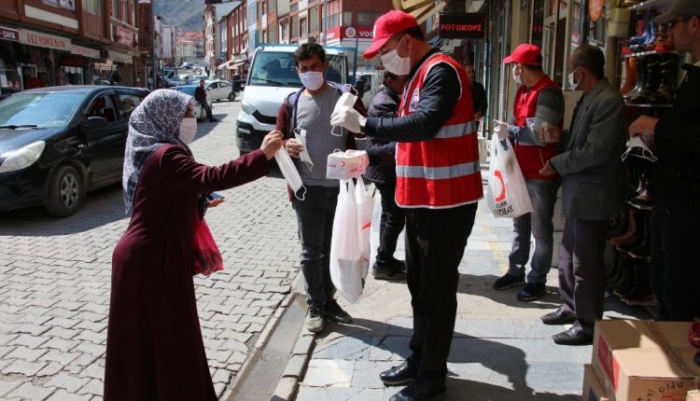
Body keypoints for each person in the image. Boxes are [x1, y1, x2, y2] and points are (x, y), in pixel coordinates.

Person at [331, 10, 482, 401]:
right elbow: (409, 142)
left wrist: (366, 125)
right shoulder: (418, 75)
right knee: (419, 287)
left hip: (447, 202)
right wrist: (369, 156)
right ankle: (419, 359)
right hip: (421, 199)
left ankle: (432, 377)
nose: (384, 59)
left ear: (405, 41)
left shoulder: (440, 71)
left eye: (385, 50)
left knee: (436, 290)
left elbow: (425, 124)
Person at [104, 89, 282, 400]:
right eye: (185, 113)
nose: (192, 119)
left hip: (148, 259)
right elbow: (211, 176)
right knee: (168, 341)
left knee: (153, 343)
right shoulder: (166, 155)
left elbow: (167, 194)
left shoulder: (155, 150)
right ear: (165, 117)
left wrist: (197, 201)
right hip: (151, 263)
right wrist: (260, 155)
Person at [539, 44, 626, 345]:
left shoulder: (609, 101)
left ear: (580, 72)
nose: (569, 76)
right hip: (579, 192)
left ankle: (587, 323)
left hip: (593, 194)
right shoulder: (590, 97)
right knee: (569, 254)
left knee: (585, 262)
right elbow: (579, 140)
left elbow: (596, 150)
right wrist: (558, 138)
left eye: (571, 71)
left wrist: (557, 163)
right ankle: (570, 306)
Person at [276, 43, 365, 334]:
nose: (310, 73)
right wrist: (286, 145)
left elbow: (364, 128)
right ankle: (315, 304)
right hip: (307, 190)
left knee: (334, 248)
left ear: (325, 66)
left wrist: (357, 112)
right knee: (311, 251)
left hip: (341, 189)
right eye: (304, 69)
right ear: (297, 70)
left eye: (315, 66)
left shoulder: (343, 97)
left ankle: (329, 301)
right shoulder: (290, 103)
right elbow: (276, 141)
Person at [628, 0, 700, 321]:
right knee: (667, 291)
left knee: (681, 300)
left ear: (695, 24)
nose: (668, 32)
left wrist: (658, 126)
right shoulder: (693, 72)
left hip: (689, 209)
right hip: (673, 203)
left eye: (675, 24)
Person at [492, 44, 564, 302]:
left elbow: (539, 137)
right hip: (521, 171)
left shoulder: (548, 94)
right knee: (519, 224)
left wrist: (509, 130)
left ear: (520, 67)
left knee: (540, 230)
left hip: (541, 174)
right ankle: (516, 270)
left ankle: (537, 279)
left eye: (514, 66)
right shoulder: (524, 91)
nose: (513, 70)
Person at [363, 71, 408, 281]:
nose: (406, 83)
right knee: (394, 217)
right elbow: (394, 135)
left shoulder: (389, 98)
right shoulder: (385, 103)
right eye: (402, 79)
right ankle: (382, 262)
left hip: (384, 166)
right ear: (390, 80)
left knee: (389, 215)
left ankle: (385, 257)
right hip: (384, 166)